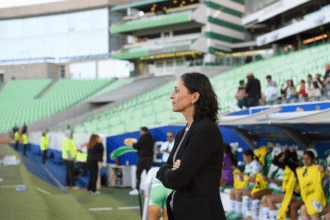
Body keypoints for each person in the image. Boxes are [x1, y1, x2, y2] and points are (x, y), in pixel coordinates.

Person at [156, 72, 226, 220]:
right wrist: (167, 169)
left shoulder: (205, 130)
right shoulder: (183, 132)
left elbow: (177, 179)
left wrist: (167, 171)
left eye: (176, 90)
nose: (171, 96)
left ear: (194, 97)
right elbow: (167, 167)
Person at [228, 149, 262, 220]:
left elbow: (253, 179)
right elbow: (246, 177)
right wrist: (240, 174)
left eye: (244, 157)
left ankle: (238, 212)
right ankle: (232, 210)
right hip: (247, 185)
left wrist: (243, 176)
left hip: (255, 186)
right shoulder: (248, 165)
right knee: (232, 191)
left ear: (249, 156)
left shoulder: (256, 164)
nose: (243, 159)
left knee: (238, 191)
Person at [130, 127, 155, 195]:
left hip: (142, 159)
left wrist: (133, 144)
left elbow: (137, 146)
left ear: (143, 131)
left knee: (138, 173)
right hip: (150, 158)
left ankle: (137, 189)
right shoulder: (151, 138)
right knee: (148, 175)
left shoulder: (142, 137)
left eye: (141, 131)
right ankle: (149, 190)